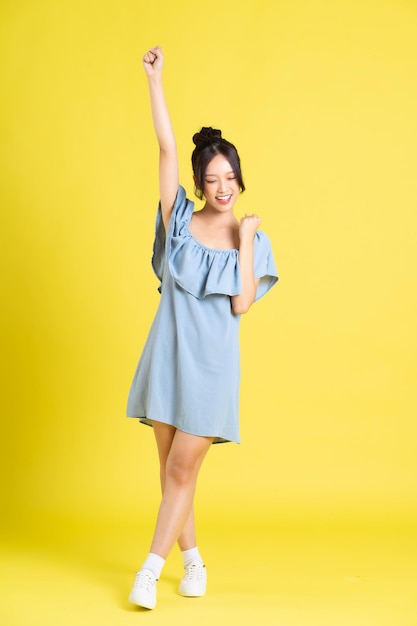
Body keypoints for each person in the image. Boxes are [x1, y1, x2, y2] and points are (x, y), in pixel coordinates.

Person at [126, 45, 278, 610]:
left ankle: (150, 568)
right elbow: (165, 146)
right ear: (198, 182)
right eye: (212, 179)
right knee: (171, 472)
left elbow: (241, 304)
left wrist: (243, 241)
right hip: (167, 354)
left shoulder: (252, 241)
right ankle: (194, 560)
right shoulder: (180, 220)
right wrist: (155, 80)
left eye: (231, 177)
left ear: (240, 179)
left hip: (213, 366)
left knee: (184, 466)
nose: (223, 187)